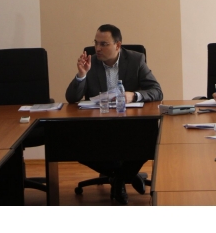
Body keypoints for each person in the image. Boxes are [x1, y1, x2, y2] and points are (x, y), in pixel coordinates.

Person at [65, 24, 163, 205]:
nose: (97, 48)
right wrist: (81, 75)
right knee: (75, 144)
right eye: (96, 43)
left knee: (149, 137)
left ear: (118, 45)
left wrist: (134, 95)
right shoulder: (91, 63)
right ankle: (125, 176)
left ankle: (119, 178)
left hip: (130, 123)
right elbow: (71, 98)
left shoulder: (136, 60)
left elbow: (156, 91)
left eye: (103, 44)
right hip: (99, 124)